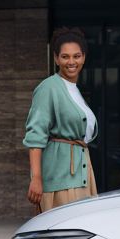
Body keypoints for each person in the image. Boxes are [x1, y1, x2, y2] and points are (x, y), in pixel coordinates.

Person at [24, 27, 98, 212]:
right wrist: (36, 178)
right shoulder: (49, 88)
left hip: (82, 173)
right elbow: (35, 136)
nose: (71, 62)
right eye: (65, 57)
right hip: (60, 177)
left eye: (76, 56)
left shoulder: (75, 90)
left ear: (84, 57)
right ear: (56, 59)